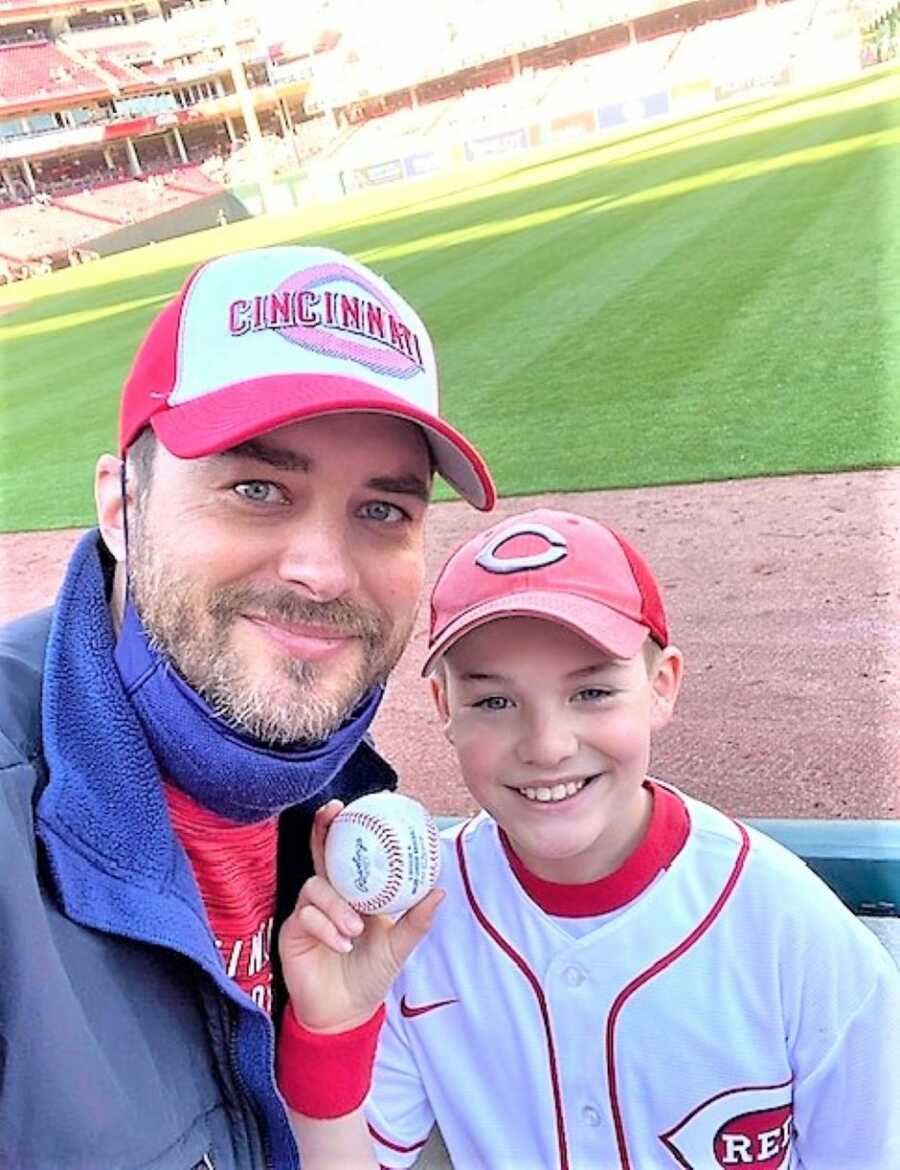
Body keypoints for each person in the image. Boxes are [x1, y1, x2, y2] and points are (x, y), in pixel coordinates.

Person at [0, 244, 494, 1170]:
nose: (322, 570)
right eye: (257, 489)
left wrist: (327, 1050)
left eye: (382, 510)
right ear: (121, 505)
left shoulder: (317, 775)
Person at [279, 507, 900, 1170]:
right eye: (494, 701)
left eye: (594, 691)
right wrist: (333, 1033)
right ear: (443, 709)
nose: (547, 746)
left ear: (661, 688)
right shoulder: (411, 932)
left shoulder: (794, 933)